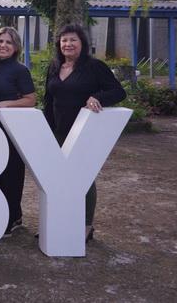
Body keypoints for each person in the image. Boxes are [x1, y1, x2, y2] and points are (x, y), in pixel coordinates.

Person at [44, 23, 126, 243]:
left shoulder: (94, 67)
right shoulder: (54, 67)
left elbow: (118, 92)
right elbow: (48, 100)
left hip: (83, 132)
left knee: (83, 179)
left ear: (82, 43)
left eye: (73, 40)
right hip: (57, 131)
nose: (68, 44)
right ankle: (60, 221)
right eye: (64, 40)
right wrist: (45, 129)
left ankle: (86, 226)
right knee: (59, 179)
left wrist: (98, 97)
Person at [0, 27, 36, 237]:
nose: (3, 45)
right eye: (0, 41)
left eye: (8, 42)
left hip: (12, 128)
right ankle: (12, 214)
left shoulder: (20, 70)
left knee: (12, 173)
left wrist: (7, 104)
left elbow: (31, 99)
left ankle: (13, 218)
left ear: (16, 47)